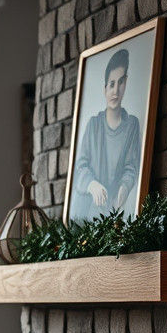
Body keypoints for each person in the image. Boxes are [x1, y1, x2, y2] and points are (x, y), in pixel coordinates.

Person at [70, 48, 142, 222]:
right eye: (111, 84)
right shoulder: (93, 125)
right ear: (104, 88)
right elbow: (80, 167)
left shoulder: (132, 125)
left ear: (126, 82)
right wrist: (91, 184)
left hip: (113, 215)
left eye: (120, 82)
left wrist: (125, 186)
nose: (115, 90)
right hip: (86, 215)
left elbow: (132, 166)